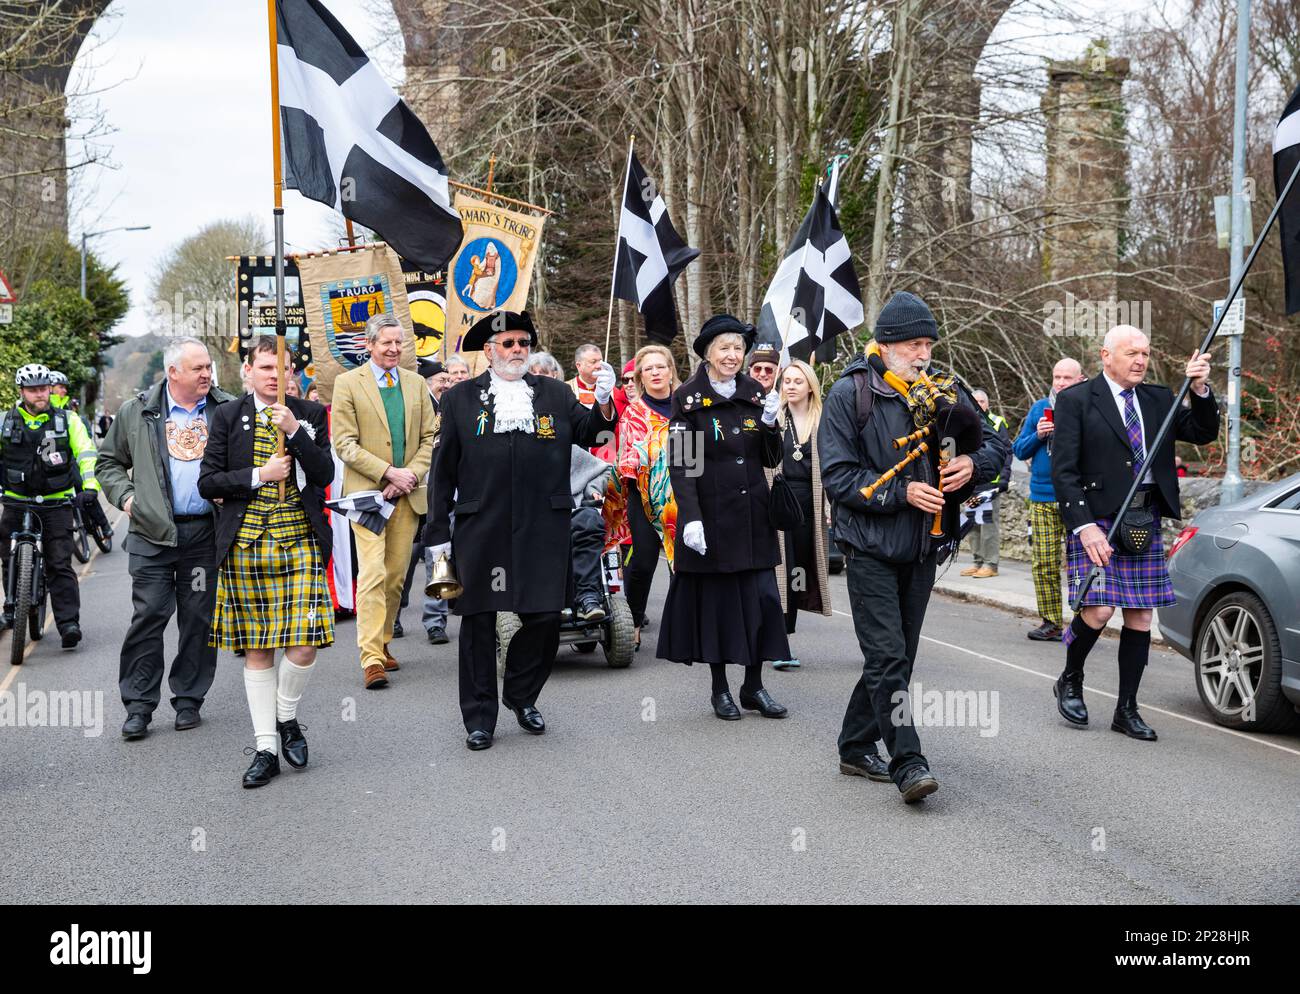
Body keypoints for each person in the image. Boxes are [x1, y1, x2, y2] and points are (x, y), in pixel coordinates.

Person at [819, 291, 1008, 803]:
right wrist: (900, 491)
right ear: (886, 344)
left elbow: (995, 442)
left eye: (928, 343)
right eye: (915, 344)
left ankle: (856, 744)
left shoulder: (945, 387)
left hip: (925, 547)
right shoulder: (850, 394)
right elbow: (838, 476)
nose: (924, 353)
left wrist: (976, 465)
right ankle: (909, 761)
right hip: (871, 546)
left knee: (897, 658)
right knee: (886, 657)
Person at [427, 311, 617, 751]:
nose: (517, 350)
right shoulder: (461, 400)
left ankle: (520, 694)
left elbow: (595, 435)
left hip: (543, 524)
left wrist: (604, 403)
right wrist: (438, 530)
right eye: (508, 343)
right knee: (478, 623)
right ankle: (479, 718)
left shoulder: (553, 393)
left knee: (547, 618)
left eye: (522, 342)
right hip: (483, 525)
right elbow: (443, 471)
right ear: (490, 352)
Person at [1051, 325, 1217, 742]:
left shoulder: (1160, 397)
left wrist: (1198, 388)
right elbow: (1064, 471)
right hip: (1098, 518)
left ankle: (1127, 709)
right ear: (1106, 356)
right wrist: (1084, 527)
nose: (1140, 360)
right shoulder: (1076, 400)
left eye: (1145, 353)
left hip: (1144, 518)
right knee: (1099, 610)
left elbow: (1203, 432)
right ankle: (1070, 677)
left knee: (1141, 616)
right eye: (1131, 353)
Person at [198, 337, 335, 788]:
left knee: (305, 641)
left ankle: (286, 717)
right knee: (258, 650)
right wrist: (260, 476)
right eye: (266, 367)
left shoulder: (309, 414)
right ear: (248, 372)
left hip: (299, 539)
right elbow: (209, 481)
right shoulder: (226, 415)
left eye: (284, 366)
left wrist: (295, 431)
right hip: (246, 543)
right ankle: (265, 748)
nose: (275, 374)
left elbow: (324, 475)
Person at [98, 337, 236, 739]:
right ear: (173, 372)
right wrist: (125, 498)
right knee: (150, 615)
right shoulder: (136, 411)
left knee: (197, 618)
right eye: (198, 368)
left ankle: (189, 699)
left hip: (203, 535)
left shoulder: (224, 409)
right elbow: (109, 463)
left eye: (209, 367)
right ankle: (139, 706)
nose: (207, 374)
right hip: (151, 536)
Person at [658, 314, 790, 720]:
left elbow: (772, 458)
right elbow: (683, 465)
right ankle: (720, 689)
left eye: (738, 348)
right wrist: (691, 517)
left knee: (763, 601)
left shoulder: (755, 392)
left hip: (753, 518)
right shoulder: (689, 399)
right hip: (711, 519)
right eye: (724, 348)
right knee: (718, 605)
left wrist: (770, 426)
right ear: (708, 353)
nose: (733, 355)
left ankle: (754, 685)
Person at [330, 313, 437, 689]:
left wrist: (408, 475)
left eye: (398, 342)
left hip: (407, 495)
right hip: (366, 497)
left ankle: (384, 641)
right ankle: (371, 657)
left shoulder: (416, 384)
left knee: (394, 578)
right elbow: (344, 443)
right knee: (372, 572)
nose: (393, 349)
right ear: (369, 345)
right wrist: (387, 473)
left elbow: (429, 438)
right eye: (386, 342)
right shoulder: (347, 384)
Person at [0, 364, 100, 648]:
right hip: (16, 501)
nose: (39, 394)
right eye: (33, 390)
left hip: (57, 502)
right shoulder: (5, 421)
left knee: (59, 563)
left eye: (43, 388)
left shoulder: (67, 419)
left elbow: (86, 453)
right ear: (21, 392)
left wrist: (90, 488)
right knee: (8, 556)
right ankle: (10, 610)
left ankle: (68, 622)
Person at [1013, 358, 1086, 641]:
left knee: (1079, 565)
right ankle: (1051, 622)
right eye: (1057, 377)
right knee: (1043, 563)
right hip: (1042, 496)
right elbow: (1019, 450)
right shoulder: (1038, 408)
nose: (1060, 382)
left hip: (1077, 497)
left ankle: (1083, 626)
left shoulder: (1087, 407)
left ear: (1080, 380)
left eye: (1067, 377)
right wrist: (1039, 435)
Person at [769, 358, 832, 670]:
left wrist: (831, 506)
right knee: (783, 568)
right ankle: (779, 642)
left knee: (800, 571)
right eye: (787, 381)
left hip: (811, 505)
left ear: (810, 386)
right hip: (781, 503)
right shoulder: (775, 418)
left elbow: (834, 468)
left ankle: (785, 634)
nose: (790, 386)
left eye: (797, 381)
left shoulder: (823, 420)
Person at [617, 345, 679, 651]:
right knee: (641, 564)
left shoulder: (686, 409)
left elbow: (694, 459)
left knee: (679, 565)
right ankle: (634, 621)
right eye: (648, 369)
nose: (655, 373)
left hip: (680, 499)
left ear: (670, 370)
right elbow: (626, 457)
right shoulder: (633, 413)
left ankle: (679, 628)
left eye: (660, 367)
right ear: (641, 376)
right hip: (642, 497)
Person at [959, 388, 1011, 578]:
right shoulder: (966, 423)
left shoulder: (996, 422)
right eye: (975, 401)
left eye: (982, 401)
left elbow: (1006, 451)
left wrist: (1004, 478)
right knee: (972, 523)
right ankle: (977, 561)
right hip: (971, 484)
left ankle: (991, 564)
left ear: (987, 404)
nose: (979, 404)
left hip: (991, 485)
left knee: (988, 525)